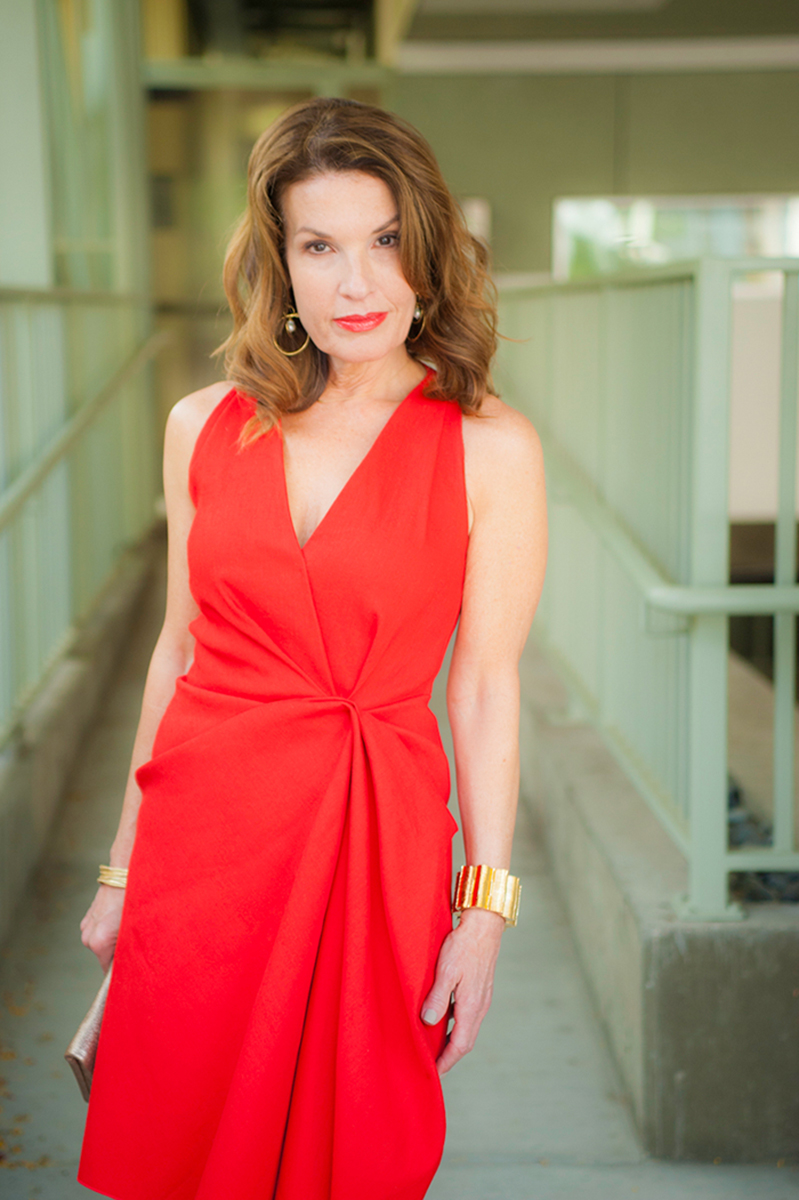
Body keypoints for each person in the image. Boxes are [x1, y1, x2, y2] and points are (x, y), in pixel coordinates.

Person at [76, 97, 547, 1200]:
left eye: (384, 242)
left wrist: (483, 912)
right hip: (203, 856)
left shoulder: (489, 447)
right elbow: (174, 657)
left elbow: (483, 687)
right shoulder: (203, 424)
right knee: (185, 1152)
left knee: (354, 1158)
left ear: (426, 248)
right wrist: (120, 869)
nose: (356, 284)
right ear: (277, 264)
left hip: (373, 852)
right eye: (320, 246)